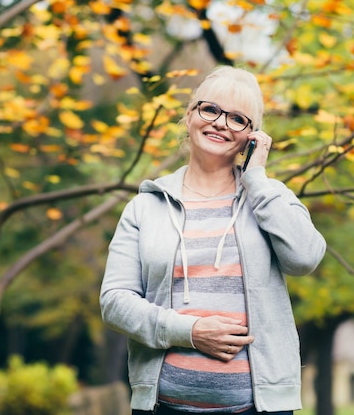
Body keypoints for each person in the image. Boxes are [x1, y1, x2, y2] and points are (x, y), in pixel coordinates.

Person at [100, 65, 327, 415]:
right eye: (210, 109)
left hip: (259, 409)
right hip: (163, 407)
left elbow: (305, 258)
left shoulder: (270, 197)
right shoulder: (145, 206)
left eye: (238, 118)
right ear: (190, 115)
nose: (221, 123)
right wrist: (189, 331)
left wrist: (258, 181)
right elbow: (115, 302)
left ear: (253, 137)